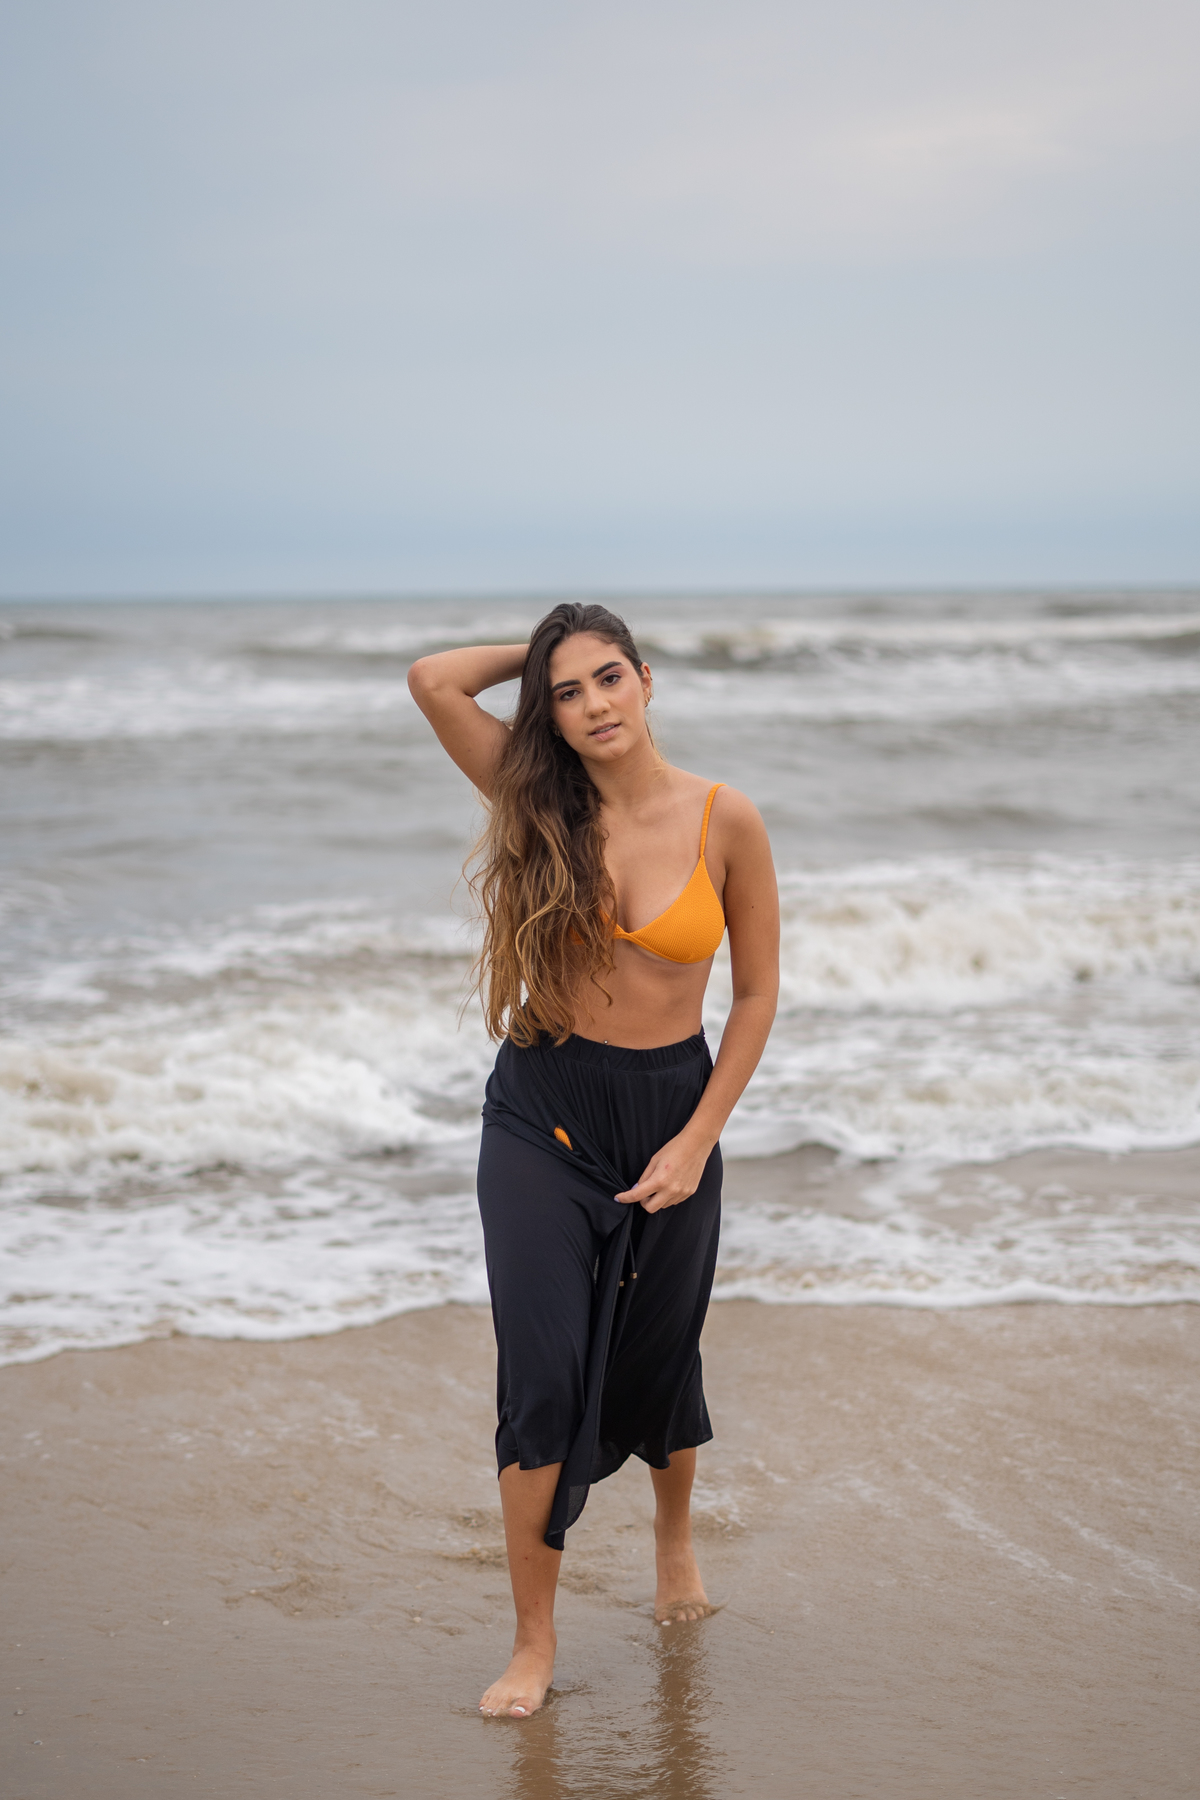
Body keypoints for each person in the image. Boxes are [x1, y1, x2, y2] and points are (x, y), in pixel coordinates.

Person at [408, 602, 779, 1719]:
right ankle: (534, 1643)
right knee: (544, 1374)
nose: (592, 705)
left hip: (672, 1110)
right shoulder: (535, 801)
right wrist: (544, 642)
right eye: (564, 693)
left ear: (648, 679)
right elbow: (433, 680)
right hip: (541, 1113)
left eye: (607, 678)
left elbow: (756, 995)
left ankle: (675, 1541)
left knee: (659, 1354)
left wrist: (697, 1137)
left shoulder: (727, 820)